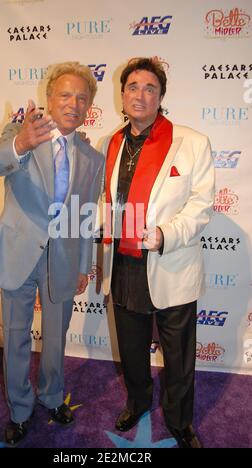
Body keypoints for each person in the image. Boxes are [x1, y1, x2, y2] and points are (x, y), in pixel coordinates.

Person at [0, 62, 104, 446]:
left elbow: (86, 215)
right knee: (16, 336)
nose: (74, 103)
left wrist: (85, 264)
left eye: (82, 98)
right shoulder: (20, 132)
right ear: (50, 99)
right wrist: (20, 143)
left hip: (65, 258)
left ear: (89, 107)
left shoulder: (92, 158)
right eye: (66, 95)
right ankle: (20, 410)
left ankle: (52, 397)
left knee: (55, 337)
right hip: (20, 252)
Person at [102, 57, 215, 448]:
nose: (140, 94)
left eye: (150, 88)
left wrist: (166, 234)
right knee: (132, 348)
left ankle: (181, 421)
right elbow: (109, 200)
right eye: (133, 86)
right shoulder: (112, 143)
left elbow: (201, 206)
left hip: (171, 261)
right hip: (124, 264)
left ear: (161, 96)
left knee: (178, 354)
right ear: (122, 94)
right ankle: (137, 401)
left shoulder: (193, 142)